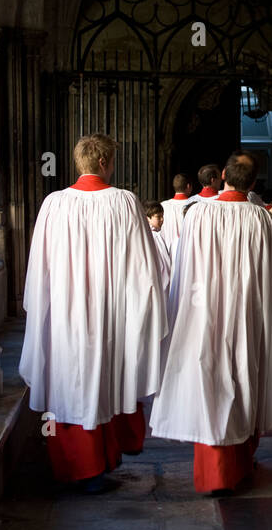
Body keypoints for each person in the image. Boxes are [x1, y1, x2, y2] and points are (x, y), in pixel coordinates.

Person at [20, 135, 167, 493]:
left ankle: (80, 463)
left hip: (65, 311)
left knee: (68, 382)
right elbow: (145, 267)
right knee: (102, 380)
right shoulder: (124, 202)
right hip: (108, 313)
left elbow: (39, 265)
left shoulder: (53, 204)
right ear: (104, 163)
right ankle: (92, 468)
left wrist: (45, 303)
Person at [149, 151, 272, 494]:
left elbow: (184, 268)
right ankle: (237, 461)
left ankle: (220, 469)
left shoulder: (198, 214)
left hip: (204, 312)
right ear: (254, 183)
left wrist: (183, 310)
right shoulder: (261, 219)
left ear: (224, 177)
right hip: (247, 311)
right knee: (245, 377)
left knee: (209, 379)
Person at [160, 174, 194, 257]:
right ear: (188, 186)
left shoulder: (163, 206)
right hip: (187, 253)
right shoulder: (194, 206)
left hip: (166, 253)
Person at [145, 200, 172, 293]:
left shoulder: (151, 234)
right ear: (148, 218)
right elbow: (164, 264)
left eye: (162, 216)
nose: (162, 219)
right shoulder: (154, 236)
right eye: (158, 217)